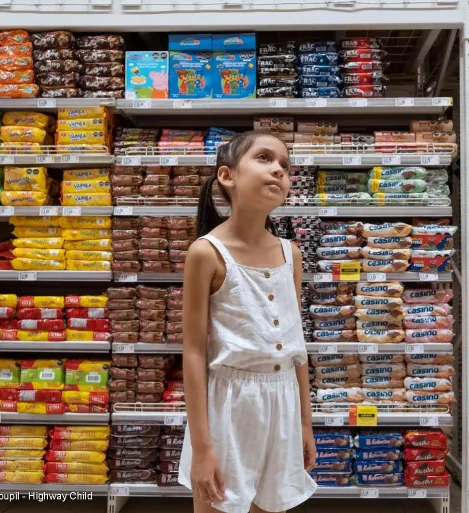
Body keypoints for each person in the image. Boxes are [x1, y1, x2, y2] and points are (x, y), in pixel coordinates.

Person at [178, 131, 317, 513]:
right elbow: (193, 352)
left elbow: (296, 347)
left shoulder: (292, 254)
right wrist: (203, 448)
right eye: (264, 158)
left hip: (282, 404)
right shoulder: (206, 253)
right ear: (227, 175)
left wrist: (306, 424)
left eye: (285, 166)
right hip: (228, 409)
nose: (278, 170)